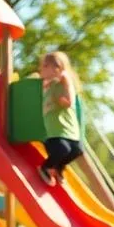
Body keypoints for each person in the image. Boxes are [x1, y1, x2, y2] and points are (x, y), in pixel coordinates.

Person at [38, 51, 83, 185]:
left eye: (47, 66)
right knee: (63, 149)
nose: (43, 69)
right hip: (55, 133)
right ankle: (45, 166)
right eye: (43, 65)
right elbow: (42, 83)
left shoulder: (65, 84)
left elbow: (69, 97)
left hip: (69, 130)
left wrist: (65, 78)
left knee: (77, 150)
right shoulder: (47, 85)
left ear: (59, 69)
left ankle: (58, 167)